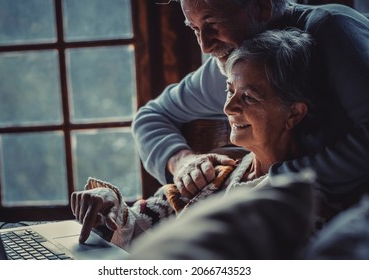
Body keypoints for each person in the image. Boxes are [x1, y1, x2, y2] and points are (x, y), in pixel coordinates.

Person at [70, 29, 317, 251]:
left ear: (294, 113)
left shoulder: (298, 205)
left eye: (250, 97)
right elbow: (138, 228)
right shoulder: (219, 173)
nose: (229, 107)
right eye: (230, 91)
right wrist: (109, 206)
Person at [131, 0, 369, 208]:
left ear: (261, 6)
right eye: (194, 29)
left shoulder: (333, 29)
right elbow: (151, 116)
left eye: (213, 23)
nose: (204, 46)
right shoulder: (227, 66)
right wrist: (181, 161)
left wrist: (282, 177)